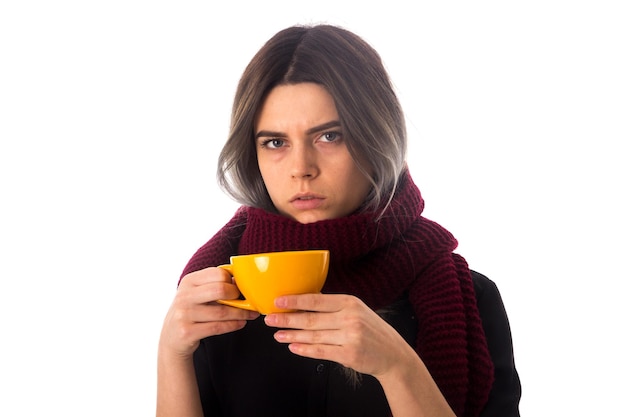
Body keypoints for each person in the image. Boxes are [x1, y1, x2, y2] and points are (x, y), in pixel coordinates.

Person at [156, 24, 521, 417]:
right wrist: (170, 354)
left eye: (329, 136)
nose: (301, 169)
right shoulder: (217, 295)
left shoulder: (470, 297)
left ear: (375, 136)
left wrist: (399, 368)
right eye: (275, 142)